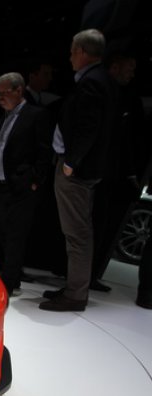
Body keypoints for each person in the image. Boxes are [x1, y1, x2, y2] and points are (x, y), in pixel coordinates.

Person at [40, 29, 118, 312]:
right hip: (82, 167)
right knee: (77, 231)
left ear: (83, 52)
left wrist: (71, 162)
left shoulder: (92, 82)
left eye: (73, 51)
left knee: (78, 233)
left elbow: (88, 127)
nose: (70, 57)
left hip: (77, 170)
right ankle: (74, 286)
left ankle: (75, 294)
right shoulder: (99, 79)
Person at [0, 72, 52, 297]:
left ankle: (8, 282)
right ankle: (12, 276)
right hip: (1, 184)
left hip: (22, 186)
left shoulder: (36, 115)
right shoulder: (3, 118)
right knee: (3, 232)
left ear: (19, 91)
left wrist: (36, 180)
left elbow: (44, 151)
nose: (0, 97)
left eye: (5, 93)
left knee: (15, 235)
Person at [89, 52, 146, 292]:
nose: (132, 74)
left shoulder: (125, 98)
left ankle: (87, 277)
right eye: (129, 68)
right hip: (97, 172)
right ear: (114, 67)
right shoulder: (106, 93)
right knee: (89, 226)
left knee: (99, 226)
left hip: (110, 175)